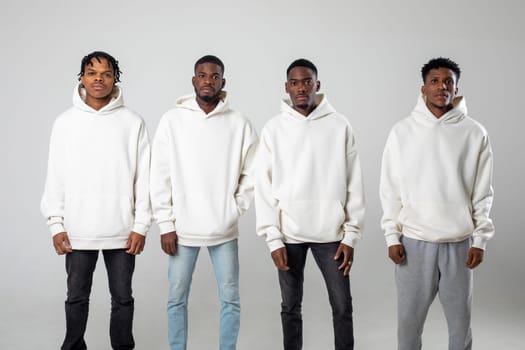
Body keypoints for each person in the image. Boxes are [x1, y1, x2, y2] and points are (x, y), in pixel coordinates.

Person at [380, 57, 495, 350]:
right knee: (408, 325)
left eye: (448, 82)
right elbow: (390, 189)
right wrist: (392, 235)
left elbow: (482, 191)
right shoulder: (401, 132)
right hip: (414, 241)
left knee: (460, 326)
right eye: (435, 81)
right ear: (423, 89)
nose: (441, 86)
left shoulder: (474, 132)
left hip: (459, 243)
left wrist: (480, 240)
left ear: (456, 89)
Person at [41, 51, 151, 350]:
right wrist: (56, 225)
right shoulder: (65, 122)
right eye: (92, 73)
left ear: (115, 78)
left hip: (122, 230)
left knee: (123, 298)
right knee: (76, 297)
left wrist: (141, 225)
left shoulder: (132, 122)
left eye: (105, 73)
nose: (98, 79)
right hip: (77, 230)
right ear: (81, 78)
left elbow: (145, 178)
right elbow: (55, 176)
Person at [255, 58, 365, 350]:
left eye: (307, 82)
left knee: (342, 307)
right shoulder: (274, 128)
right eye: (295, 82)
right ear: (287, 87)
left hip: (331, 235)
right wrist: (273, 239)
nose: (301, 88)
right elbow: (263, 188)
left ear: (318, 84)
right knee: (290, 307)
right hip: (288, 234)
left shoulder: (340, 125)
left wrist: (351, 235)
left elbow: (354, 183)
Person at [150, 55, 258, 350]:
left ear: (223, 82)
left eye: (214, 76)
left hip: (224, 229)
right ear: (193, 80)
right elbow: (159, 175)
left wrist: (234, 210)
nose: (208, 80)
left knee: (230, 299)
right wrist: (165, 224)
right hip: (181, 230)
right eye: (202, 75)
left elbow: (253, 172)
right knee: (175, 298)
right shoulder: (172, 121)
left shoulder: (239, 123)